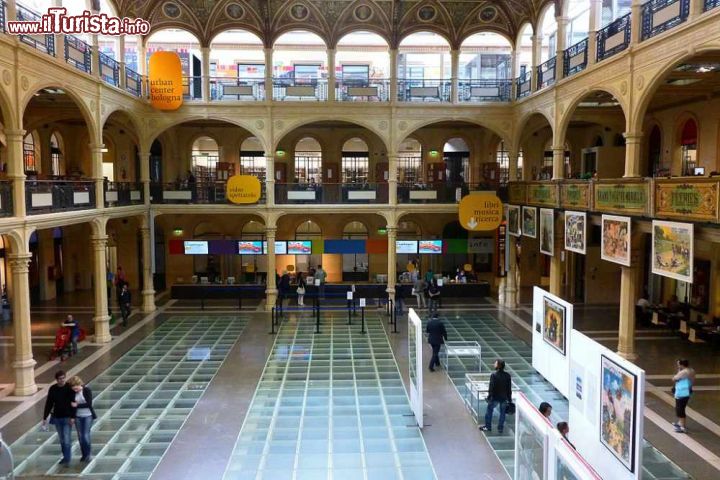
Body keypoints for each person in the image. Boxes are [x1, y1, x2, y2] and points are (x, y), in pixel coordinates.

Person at [42, 370, 75, 466]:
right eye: (60, 379)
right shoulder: (53, 389)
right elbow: (49, 403)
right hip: (57, 417)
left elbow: (73, 403)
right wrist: (45, 417)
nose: (62, 380)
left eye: (63, 378)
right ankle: (65, 457)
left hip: (67, 417)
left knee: (67, 438)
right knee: (62, 439)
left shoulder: (69, 388)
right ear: (56, 380)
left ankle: (67, 459)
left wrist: (73, 417)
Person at [68, 376, 97, 462]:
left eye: (76, 388)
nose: (75, 390)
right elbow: (72, 406)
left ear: (79, 384)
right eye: (73, 389)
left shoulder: (87, 390)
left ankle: (88, 454)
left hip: (88, 415)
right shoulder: (72, 393)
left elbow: (89, 404)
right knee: (80, 436)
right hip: (78, 416)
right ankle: (84, 454)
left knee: (85, 435)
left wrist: (77, 405)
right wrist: (72, 417)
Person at [480, 359, 512, 433]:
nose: (494, 364)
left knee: (489, 411)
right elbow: (509, 389)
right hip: (504, 398)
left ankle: (488, 427)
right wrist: (509, 399)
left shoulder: (494, 375)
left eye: (495, 363)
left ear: (498, 366)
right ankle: (500, 428)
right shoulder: (507, 376)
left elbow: (491, 387)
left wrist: (489, 397)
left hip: (495, 397)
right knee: (502, 413)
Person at [672, 359, 695, 433]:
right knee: (682, 407)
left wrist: (679, 371)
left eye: (679, 364)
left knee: (680, 409)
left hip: (682, 392)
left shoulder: (684, 372)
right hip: (688, 390)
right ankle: (680, 423)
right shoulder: (691, 370)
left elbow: (674, 378)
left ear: (682, 365)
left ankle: (682, 427)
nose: (678, 366)